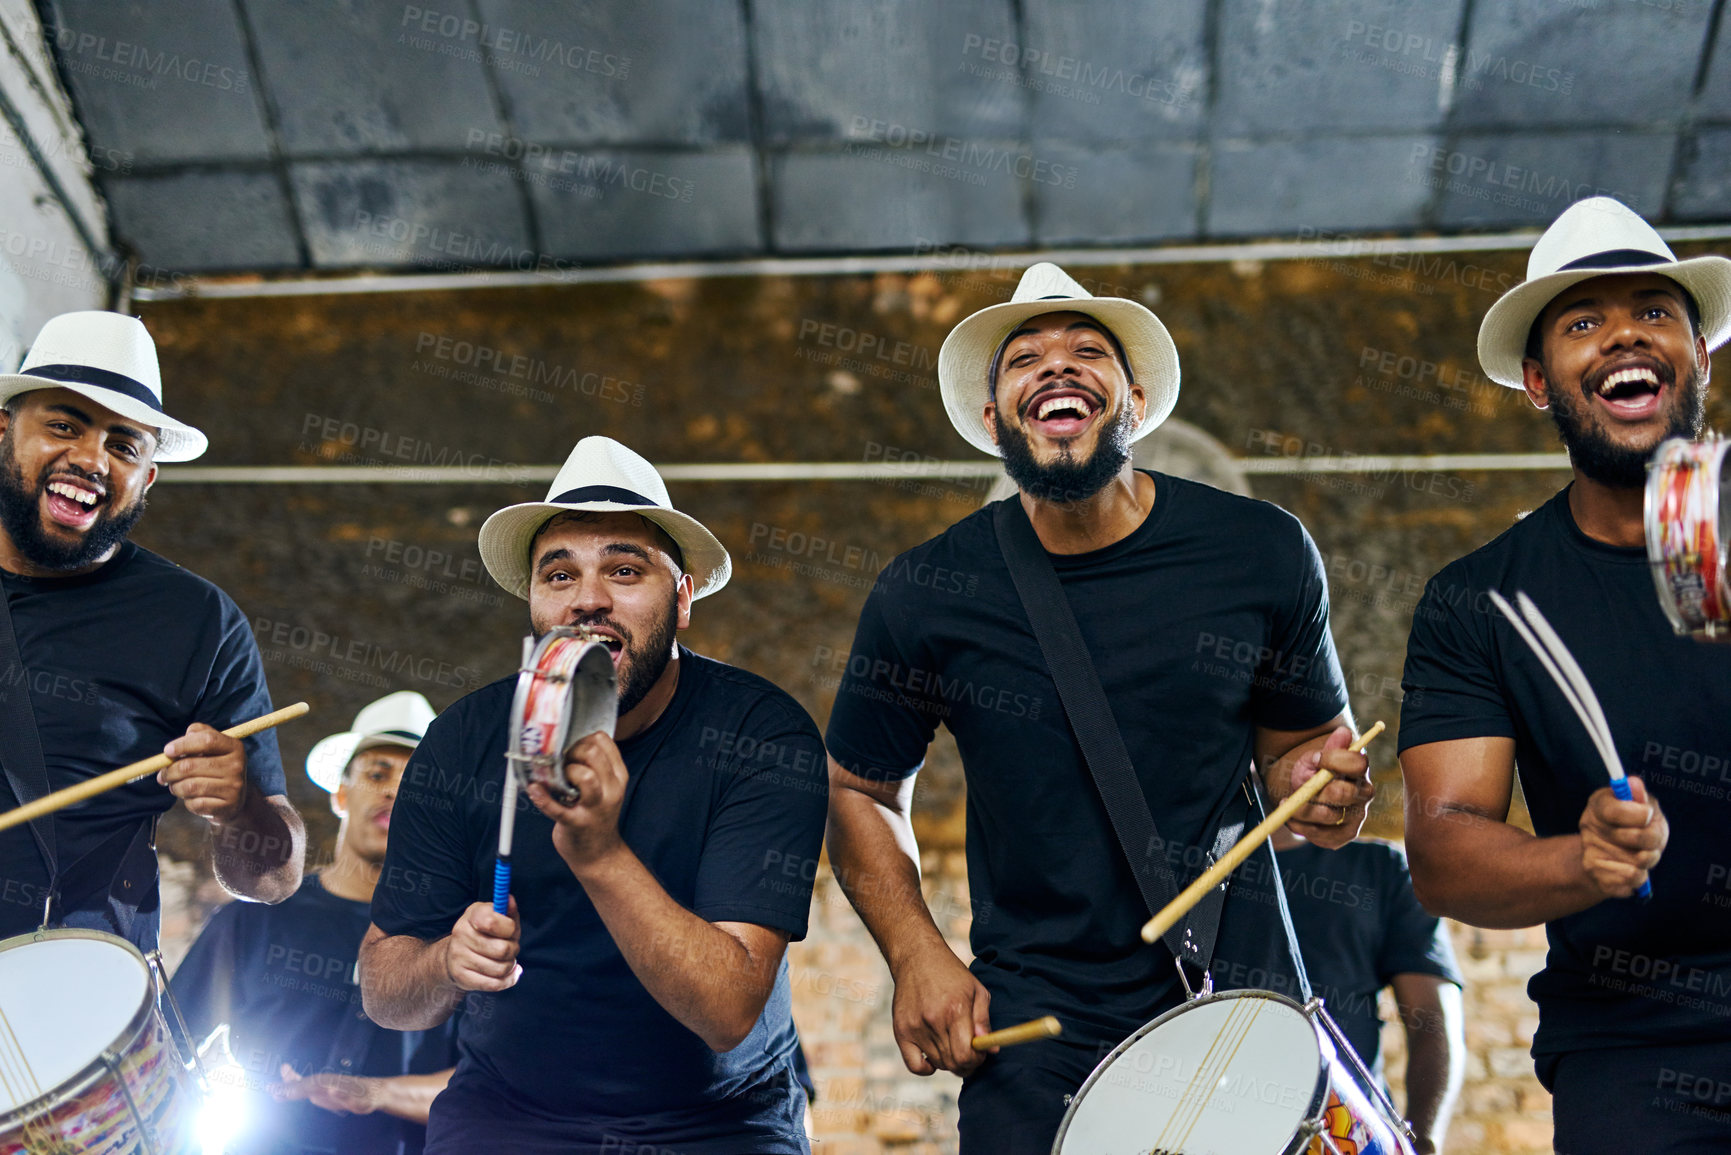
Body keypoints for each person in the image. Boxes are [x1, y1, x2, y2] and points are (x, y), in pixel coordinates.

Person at [822, 262, 1375, 1152]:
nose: (1056, 365)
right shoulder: (927, 589)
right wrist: (915, 953)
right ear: (996, 414)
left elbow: (1301, 758)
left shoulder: (1259, 550)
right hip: (1036, 1009)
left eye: (1088, 350)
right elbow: (859, 789)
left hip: (1237, 997)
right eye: (1023, 358)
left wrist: (1323, 789)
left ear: (1134, 399)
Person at [359, 437, 829, 1154]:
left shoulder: (758, 734)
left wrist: (599, 852)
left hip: (717, 1123)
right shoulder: (462, 739)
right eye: (558, 574)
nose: (588, 598)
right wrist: (446, 962)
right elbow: (383, 988)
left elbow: (729, 1008)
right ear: (533, 603)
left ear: (682, 596)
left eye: (624, 568)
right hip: (508, 1114)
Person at [1399, 196, 1731, 1151]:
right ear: (1540, 383)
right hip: (1631, 1040)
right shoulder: (1480, 601)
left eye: (1652, 311)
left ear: (1697, 354)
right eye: (1583, 322)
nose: (1622, 333)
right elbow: (1442, 849)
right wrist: (1577, 860)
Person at [0, 311, 301, 954]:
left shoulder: (199, 623)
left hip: (76, 1008)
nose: (89, 459)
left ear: (148, 479)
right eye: (63, 425)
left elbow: (275, 878)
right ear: (3, 428)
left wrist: (238, 803)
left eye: (123, 445)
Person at [174, 691, 456, 1155]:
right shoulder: (255, 918)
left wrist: (378, 1093)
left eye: (414, 784)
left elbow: (481, 1082)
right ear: (342, 792)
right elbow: (170, 1044)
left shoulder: (453, 942)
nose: (391, 791)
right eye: (377, 774)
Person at [1270, 828, 1465, 1154]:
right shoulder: (1194, 869)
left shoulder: (1381, 867)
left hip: (1354, 1135)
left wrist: (1422, 1142)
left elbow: (1433, 1022)